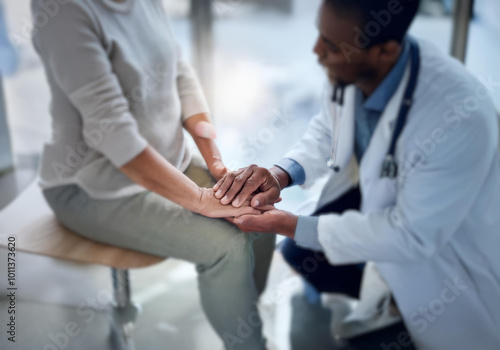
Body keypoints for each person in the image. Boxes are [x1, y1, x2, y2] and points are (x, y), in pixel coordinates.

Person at [214, 0, 500, 349]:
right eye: (321, 35)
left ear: (384, 51)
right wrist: (281, 174)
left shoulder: (458, 117)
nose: (317, 51)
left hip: (445, 265)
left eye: (331, 46)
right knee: (300, 252)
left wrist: (288, 224)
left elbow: (410, 236)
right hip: (388, 217)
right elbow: (327, 130)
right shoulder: (355, 67)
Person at [31, 0, 275, 349]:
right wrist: (202, 201)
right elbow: (114, 133)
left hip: (172, 162)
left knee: (258, 214)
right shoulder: (62, 10)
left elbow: (179, 71)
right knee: (228, 247)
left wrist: (216, 163)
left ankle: (240, 315)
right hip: (92, 187)